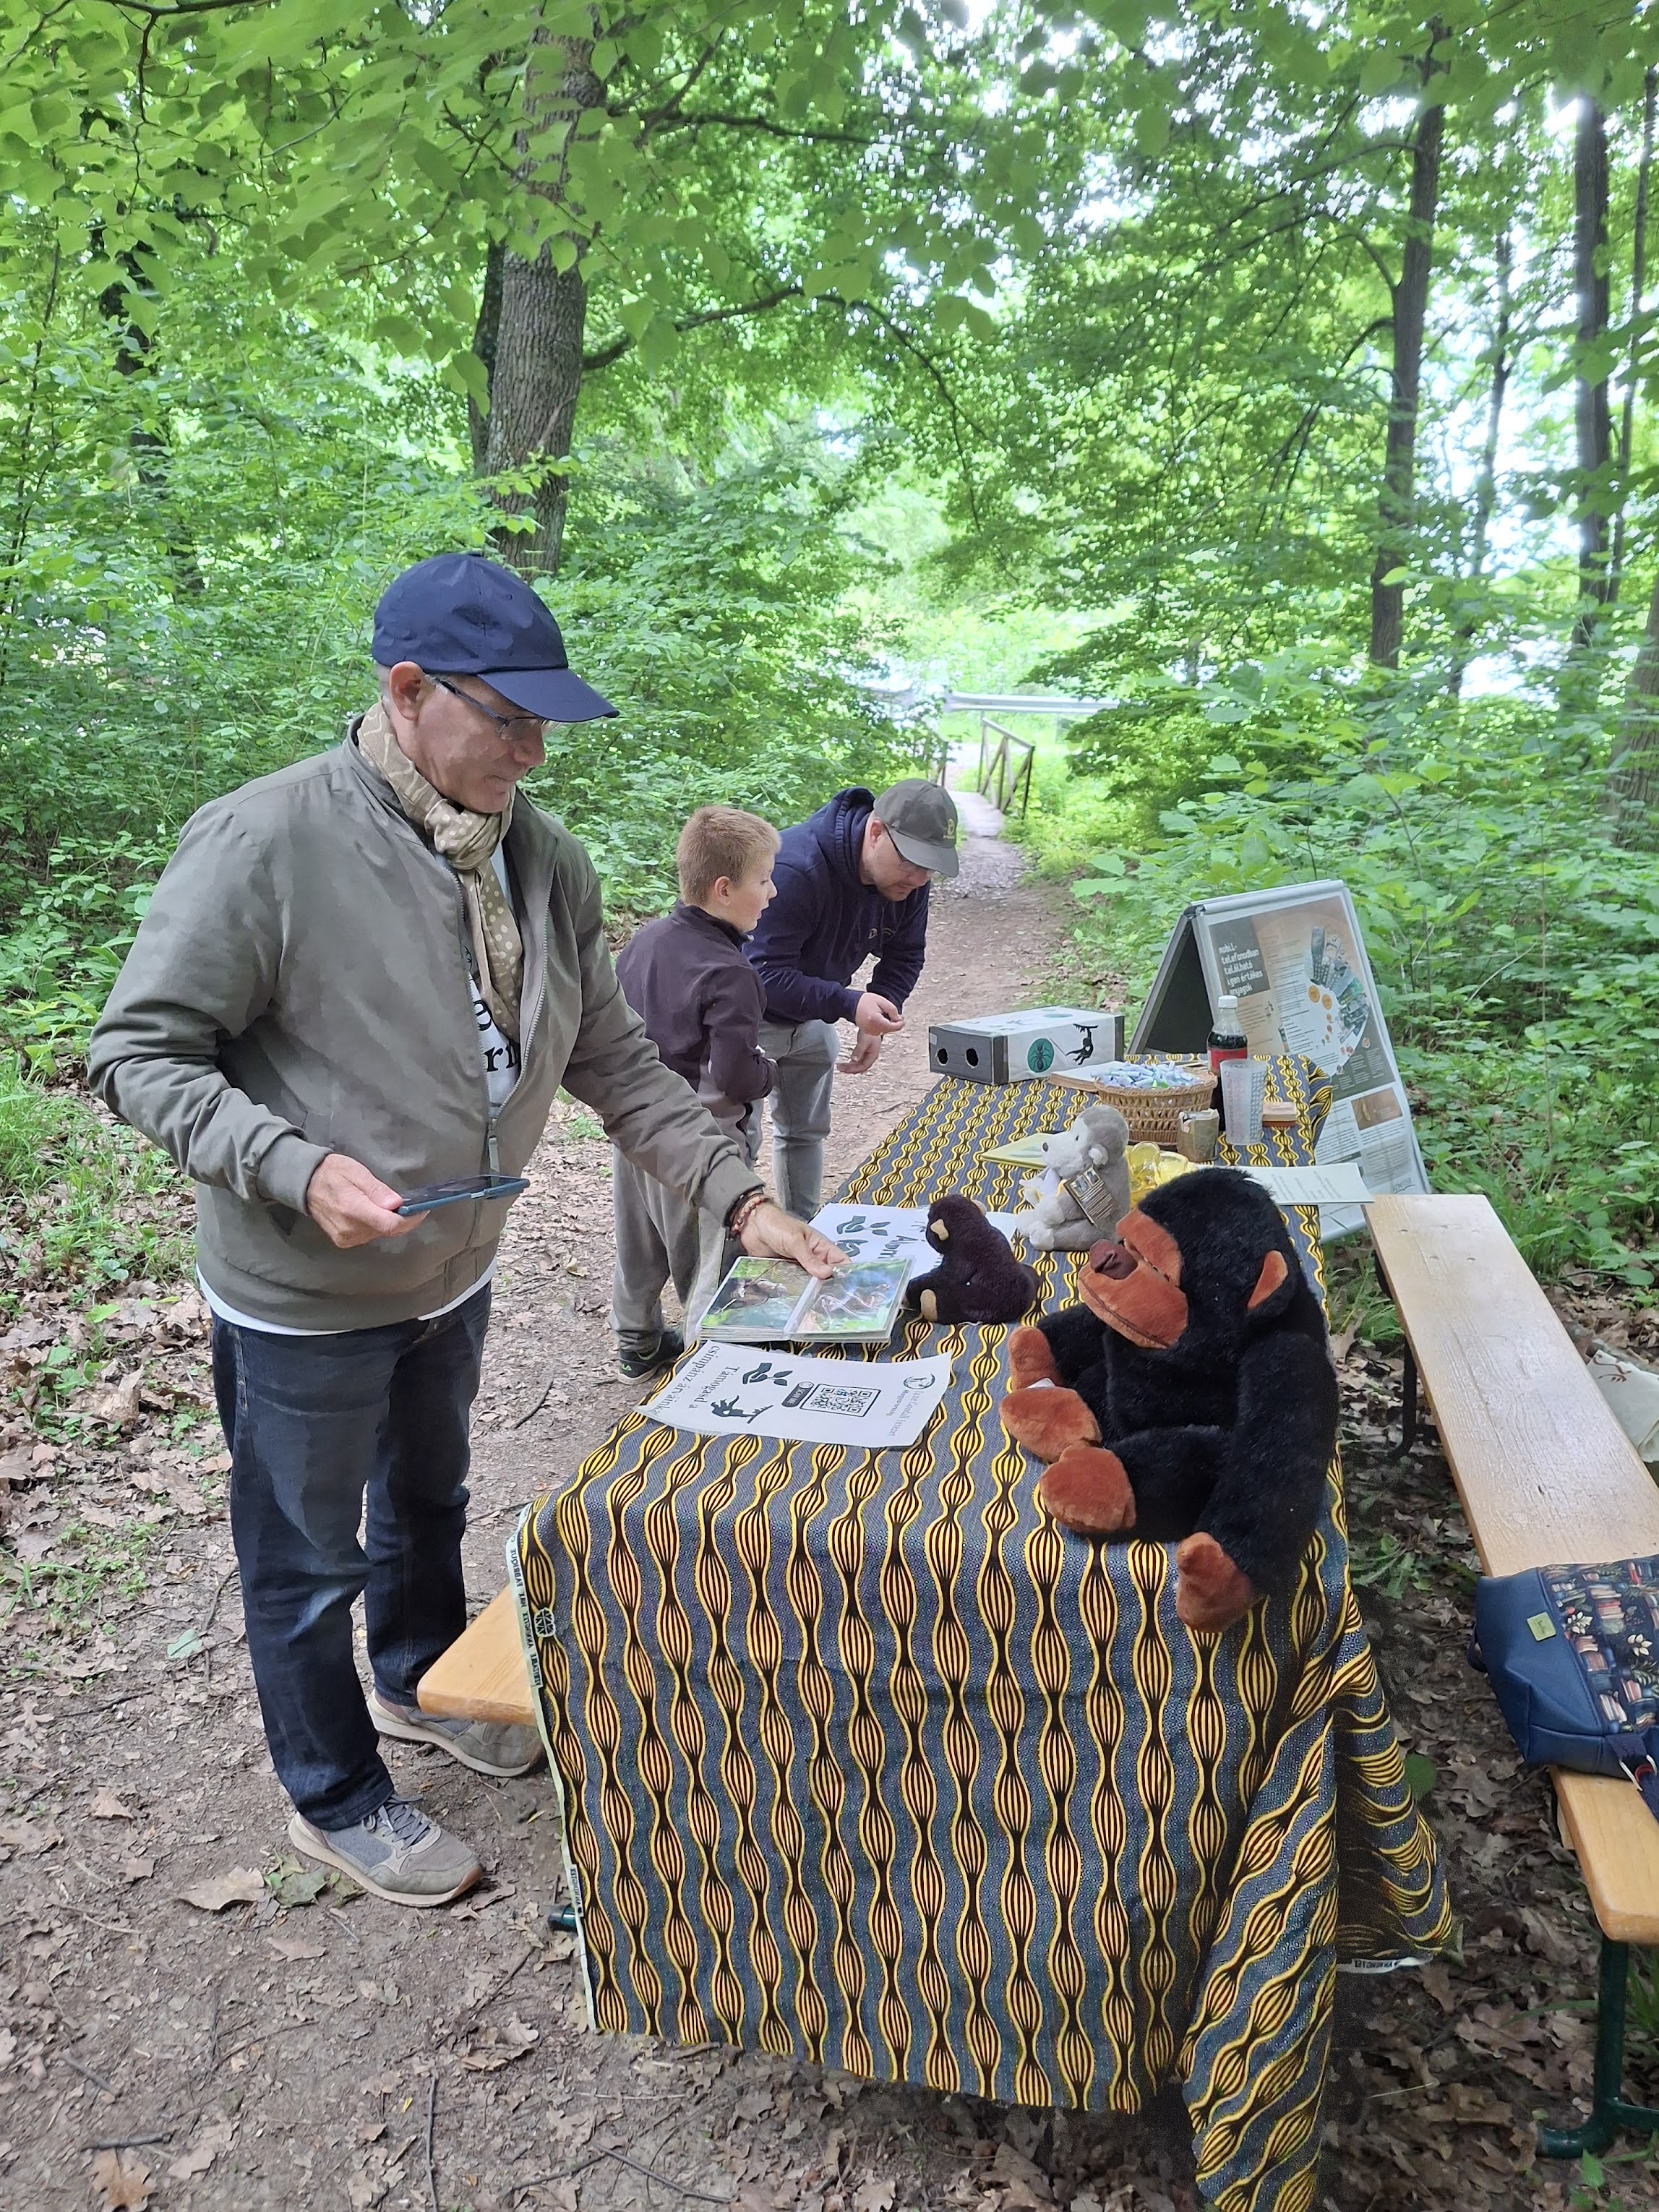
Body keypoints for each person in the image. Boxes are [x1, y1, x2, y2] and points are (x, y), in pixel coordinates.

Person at [87, 552, 841, 1909]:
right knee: (303, 1559)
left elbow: (616, 1064)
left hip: (450, 1270)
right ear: (407, 691)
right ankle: (333, 1792)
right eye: (508, 720)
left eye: (545, 723)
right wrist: (291, 1166)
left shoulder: (543, 863)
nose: (533, 753)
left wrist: (743, 1199)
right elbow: (138, 1053)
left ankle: (419, 1679)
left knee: (427, 1500)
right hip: (305, 1292)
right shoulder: (268, 842)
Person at [609, 804, 779, 1378]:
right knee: (710, 1260)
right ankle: (713, 1371)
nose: (772, 893)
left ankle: (637, 1342)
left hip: (634, 1128)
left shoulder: (644, 942)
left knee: (638, 1244)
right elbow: (734, 1077)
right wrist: (768, 1072)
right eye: (763, 880)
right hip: (702, 1141)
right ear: (724, 889)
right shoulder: (730, 973)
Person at [745, 779, 959, 1218]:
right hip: (746, 1020)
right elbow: (762, 975)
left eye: (930, 867)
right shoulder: (795, 867)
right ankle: (730, 1247)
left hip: (812, 1016)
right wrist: (848, 1004)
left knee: (805, 1132)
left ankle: (805, 1230)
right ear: (876, 832)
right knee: (739, 1142)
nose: (920, 878)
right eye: (912, 862)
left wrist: (878, 1005)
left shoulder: (910, 882)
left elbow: (906, 953)